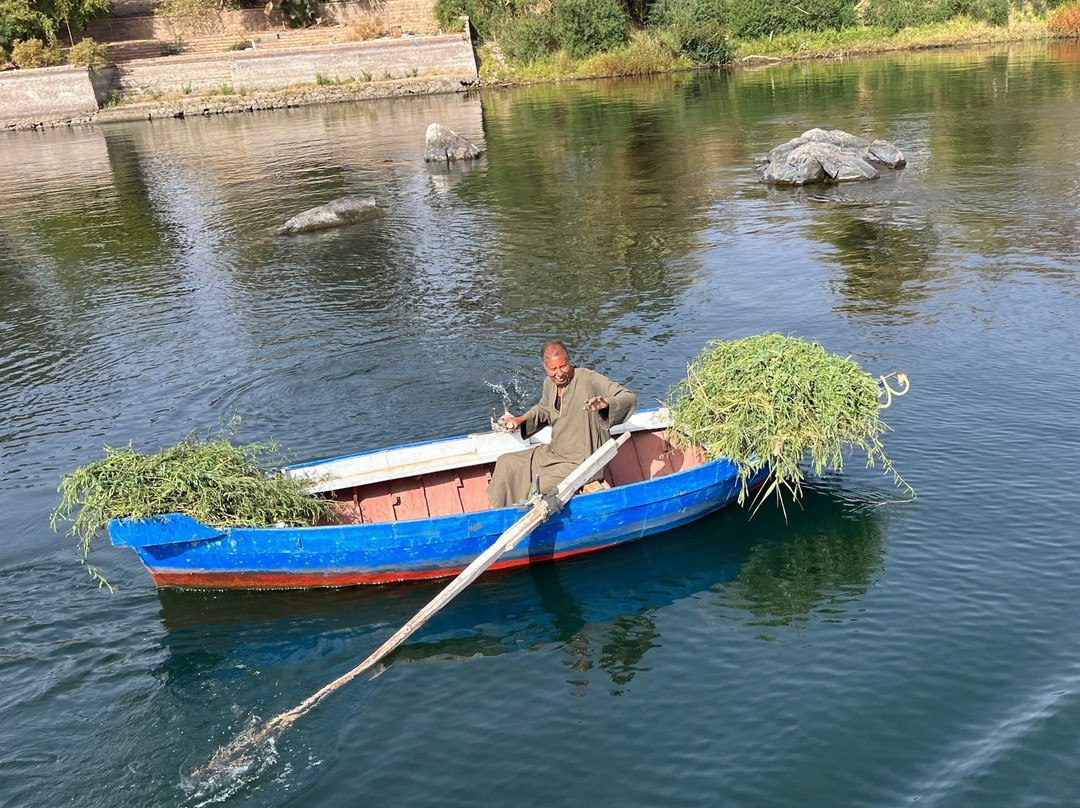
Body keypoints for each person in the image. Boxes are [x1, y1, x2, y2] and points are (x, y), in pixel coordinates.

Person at [487, 341, 636, 509]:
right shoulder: (548, 384)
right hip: (555, 452)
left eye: (563, 366)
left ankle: (523, 513)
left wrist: (606, 403)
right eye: (553, 369)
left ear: (569, 360)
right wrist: (519, 420)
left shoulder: (588, 378)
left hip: (583, 459)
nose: (559, 373)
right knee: (506, 462)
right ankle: (497, 514)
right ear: (545, 367)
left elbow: (627, 396)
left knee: (538, 488)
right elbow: (543, 410)